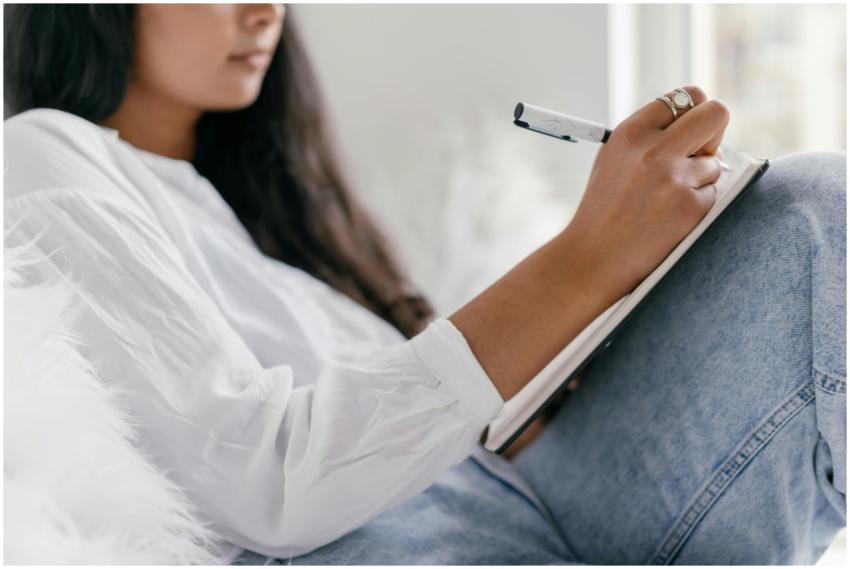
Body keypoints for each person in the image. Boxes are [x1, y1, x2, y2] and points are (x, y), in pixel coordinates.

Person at [4, 3, 845, 565]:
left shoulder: (254, 210)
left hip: (532, 482)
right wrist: (588, 256)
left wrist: (560, 360)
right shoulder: (40, 155)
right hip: (423, 540)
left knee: (812, 210)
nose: (265, 10)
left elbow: (441, 407)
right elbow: (268, 482)